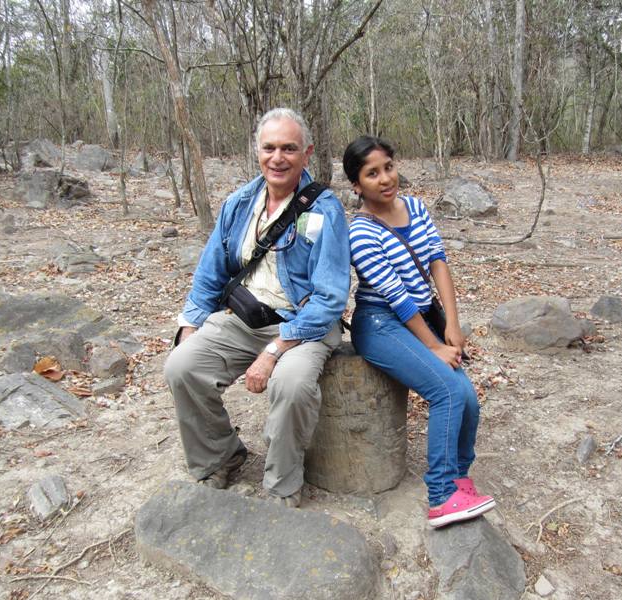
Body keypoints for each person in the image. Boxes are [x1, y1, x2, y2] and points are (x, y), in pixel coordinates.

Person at [164, 108, 350, 508]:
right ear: (257, 151)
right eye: (269, 148)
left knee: (291, 384)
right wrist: (189, 324)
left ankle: (282, 485)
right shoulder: (240, 202)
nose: (277, 158)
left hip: (303, 327)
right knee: (181, 366)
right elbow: (211, 270)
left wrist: (273, 351)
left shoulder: (324, 209)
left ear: (307, 153)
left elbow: (331, 297)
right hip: (244, 318)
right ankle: (220, 458)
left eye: (289, 148)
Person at [343, 135, 495, 527]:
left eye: (388, 167)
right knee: (445, 390)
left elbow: (438, 262)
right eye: (371, 174)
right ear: (357, 185)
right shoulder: (361, 232)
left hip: (425, 315)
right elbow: (396, 297)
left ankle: (460, 476)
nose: (384, 178)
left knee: (468, 397)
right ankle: (441, 495)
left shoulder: (414, 206)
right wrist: (432, 347)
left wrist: (453, 327)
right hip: (380, 322)